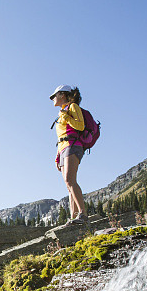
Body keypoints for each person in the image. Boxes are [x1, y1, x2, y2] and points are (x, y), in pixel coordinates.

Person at [50, 84, 87, 222]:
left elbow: (80, 126)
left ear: (63, 94)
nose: (53, 98)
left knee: (70, 180)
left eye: (55, 95)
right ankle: (74, 216)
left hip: (73, 145)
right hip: (64, 148)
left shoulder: (72, 107)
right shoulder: (62, 111)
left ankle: (83, 214)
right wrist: (58, 155)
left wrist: (66, 116)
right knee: (68, 183)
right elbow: (61, 136)